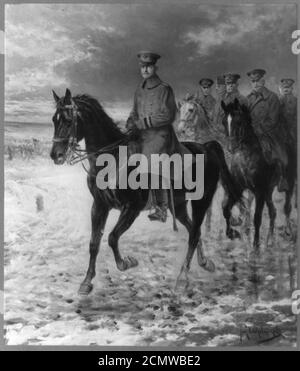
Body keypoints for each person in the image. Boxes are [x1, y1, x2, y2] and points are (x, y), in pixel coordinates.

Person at [126, 51, 185, 222]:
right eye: (142, 67)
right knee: (124, 151)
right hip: (142, 134)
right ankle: (132, 198)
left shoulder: (164, 89)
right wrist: (130, 121)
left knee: (149, 159)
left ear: (155, 67)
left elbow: (169, 115)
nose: (145, 70)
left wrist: (143, 123)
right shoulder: (139, 89)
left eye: (148, 66)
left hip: (161, 135)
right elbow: (134, 110)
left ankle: (161, 208)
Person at [246, 69, 289, 192]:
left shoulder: (272, 97)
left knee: (278, 153)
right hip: (252, 132)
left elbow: (273, 119)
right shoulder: (248, 98)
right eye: (253, 81)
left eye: (257, 81)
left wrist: (259, 129)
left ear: (263, 81)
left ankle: (282, 178)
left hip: (269, 132)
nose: (255, 84)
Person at [278, 78, 297, 150]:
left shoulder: (295, 101)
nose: (285, 89)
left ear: (292, 88)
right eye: (284, 87)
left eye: (288, 87)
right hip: (281, 128)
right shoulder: (278, 100)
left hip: (292, 128)